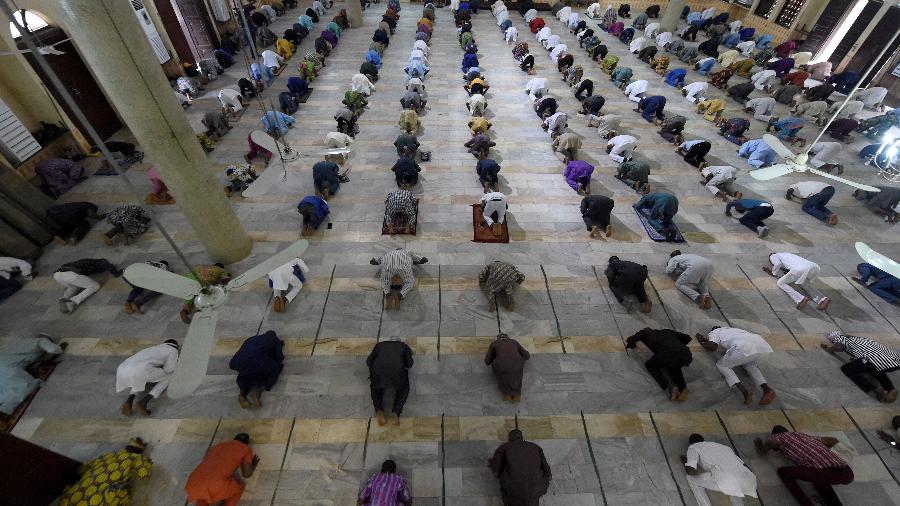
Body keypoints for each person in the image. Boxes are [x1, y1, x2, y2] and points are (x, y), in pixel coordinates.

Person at [754, 426, 853, 505]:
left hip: (825, 472)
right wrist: (822, 452)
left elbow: (772, 443)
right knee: (818, 478)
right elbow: (833, 440)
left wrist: (763, 448)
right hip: (847, 473)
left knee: (784, 472)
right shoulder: (803, 435)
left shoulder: (779, 436)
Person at [59, 438, 152, 506]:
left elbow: (82, 469)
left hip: (77, 492)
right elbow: (143, 474)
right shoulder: (134, 458)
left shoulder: (108, 457)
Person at [696, 326, 776, 405]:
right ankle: (767, 390)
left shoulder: (715, 332)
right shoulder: (733, 330)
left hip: (744, 348)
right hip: (764, 348)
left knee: (723, 365)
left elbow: (712, 347)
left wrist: (702, 341)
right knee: (750, 366)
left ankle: (745, 392)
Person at [822, 331, 900, 402]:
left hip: (874, 359)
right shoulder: (856, 339)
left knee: (847, 368)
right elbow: (863, 350)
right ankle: (890, 388)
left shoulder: (840, 338)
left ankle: (876, 390)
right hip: (892, 360)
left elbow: (840, 347)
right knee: (877, 370)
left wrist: (830, 349)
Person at [682, 434, 758, 506]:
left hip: (729, 479)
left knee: (691, 479)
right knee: (733, 487)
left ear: (691, 443)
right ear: (704, 440)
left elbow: (691, 471)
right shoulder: (725, 448)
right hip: (749, 479)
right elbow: (743, 465)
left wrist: (687, 463)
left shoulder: (693, 447)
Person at [185, 433, 259, 506]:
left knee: (202, 497)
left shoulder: (217, 446)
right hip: (215, 484)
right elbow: (246, 474)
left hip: (192, 483)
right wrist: (253, 465)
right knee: (238, 489)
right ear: (246, 443)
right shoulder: (245, 448)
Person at [0, 334, 66, 415]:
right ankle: (4, 410)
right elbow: (52, 349)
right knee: (24, 386)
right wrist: (59, 349)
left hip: (5, 367)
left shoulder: (12, 345)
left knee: (4, 389)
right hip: (7, 369)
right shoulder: (39, 341)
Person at [116, 339, 179, 416]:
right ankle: (144, 401)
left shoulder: (153, 348)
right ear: (177, 346)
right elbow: (170, 369)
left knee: (138, 378)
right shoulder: (173, 350)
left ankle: (129, 401)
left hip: (122, 369)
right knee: (171, 374)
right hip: (141, 371)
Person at [626, 328, 692, 400]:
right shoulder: (667, 331)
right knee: (674, 368)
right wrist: (678, 345)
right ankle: (683, 388)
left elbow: (630, 340)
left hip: (668, 353)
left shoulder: (644, 332)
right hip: (686, 354)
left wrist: (631, 344)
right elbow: (687, 338)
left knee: (651, 365)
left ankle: (671, 388)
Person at [490, 429, 552, 506]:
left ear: (510, 438)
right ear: (522, 437)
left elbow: (496, 465)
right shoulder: (535, 446)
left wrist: (498, 473)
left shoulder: (505, 447)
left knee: (509, 490)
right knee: (531, 494)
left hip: (515, 489)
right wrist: (547, 476)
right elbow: (545, 466)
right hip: (537, 488)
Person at [229, 330, 284, 408]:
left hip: (238, 364)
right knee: (276, 368)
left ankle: (242, 395)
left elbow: (240, 353)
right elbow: (280, 357)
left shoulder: (250, 339)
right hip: (258, 366)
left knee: (246, 371)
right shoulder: (274, 340)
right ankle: (258, 390)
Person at [367, 338, 413, 425]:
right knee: (404, 389)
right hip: (396, 375)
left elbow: (368, 361)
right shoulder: (404, 346)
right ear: (398, 341)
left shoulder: (379, 345)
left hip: (378, 373)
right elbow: (410, 364)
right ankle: (396, 412)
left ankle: (379, 410)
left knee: (375, 388)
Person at [763, 252, 831, 310]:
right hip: (814, 267)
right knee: (805, 283)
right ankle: (822, 299)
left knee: (780, 283)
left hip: (801, 268)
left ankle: (800, 299)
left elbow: (777, 264)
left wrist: (773, 272)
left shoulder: (774, 255)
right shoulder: (787, 254)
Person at [54, 258, 121, 314]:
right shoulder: (98, 262)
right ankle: (72, 302)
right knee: (95, 286)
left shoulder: (83, 262)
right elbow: (106, 264)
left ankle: (64, 297)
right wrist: (117, 273)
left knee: (75, 286)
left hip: (57, 275)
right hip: (70, 275)